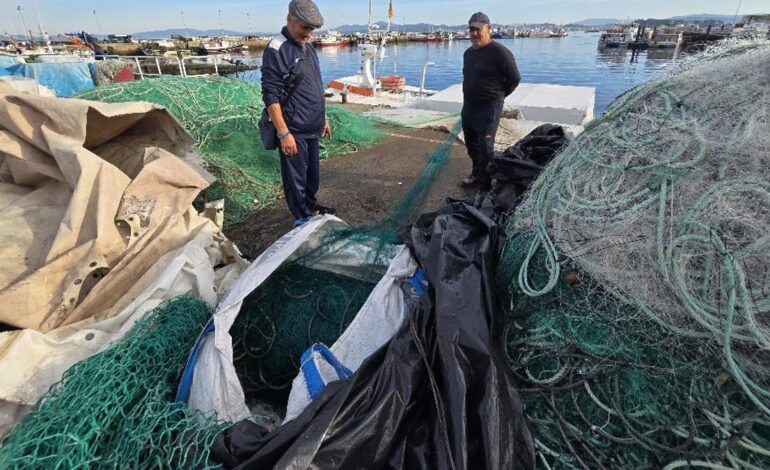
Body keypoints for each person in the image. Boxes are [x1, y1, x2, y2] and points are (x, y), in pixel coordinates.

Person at [261, 0, 334, 226]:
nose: (308, 33)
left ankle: (310, 206)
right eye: (304, 27)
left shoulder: (308, 47)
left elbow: (315, 83)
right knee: (296, 179)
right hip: (294, 129)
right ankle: (301, 217)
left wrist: (324, 117)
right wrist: (283, 133)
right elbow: (270, 95)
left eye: (312, 29)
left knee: (312, 177)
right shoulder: (277, 48)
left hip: (313, 125)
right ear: (289, 19)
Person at [461, 11, 521, 189]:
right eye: (471, 29)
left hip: (489, 107)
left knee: (486, 147)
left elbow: (514, 78)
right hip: (469, 105)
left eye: (478, 29)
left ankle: (485, 185)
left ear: (489, 29)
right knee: (471, 144)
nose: (474, 33)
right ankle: (476, 173)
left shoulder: (500, 52)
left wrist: (498, 96)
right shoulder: (468, 53)